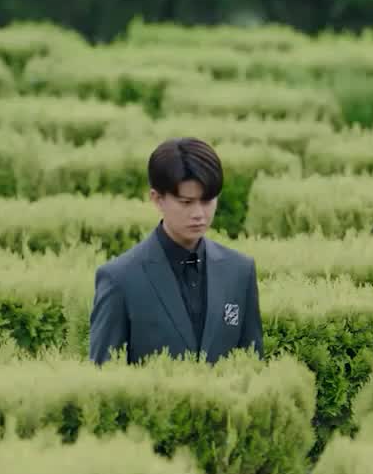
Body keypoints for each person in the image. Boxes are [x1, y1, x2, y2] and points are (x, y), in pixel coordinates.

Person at [88, 137, 263, 366]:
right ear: (157, 199)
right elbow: (103, 374)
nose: (199, 214)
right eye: (186, 202)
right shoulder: (119, 279)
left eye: (207, 201)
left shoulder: (239, 271)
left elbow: (253, 364)